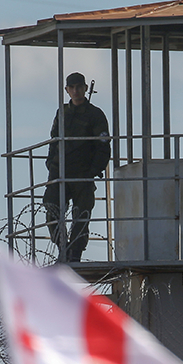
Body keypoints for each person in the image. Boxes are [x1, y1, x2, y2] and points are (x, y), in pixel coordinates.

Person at [43, 71, 110, 262]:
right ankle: (63, 248)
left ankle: (74, 253)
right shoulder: (62, 112)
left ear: (85, 88)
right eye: (71, 88)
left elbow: (103, 145)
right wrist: (50, 163)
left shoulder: (95, 115)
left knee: (81, 216)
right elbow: (54, 139)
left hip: (83, 171)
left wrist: (93, 170)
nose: (75, 91)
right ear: (67, 90)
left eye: (79, 87)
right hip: (60, 171)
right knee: (52, 210)